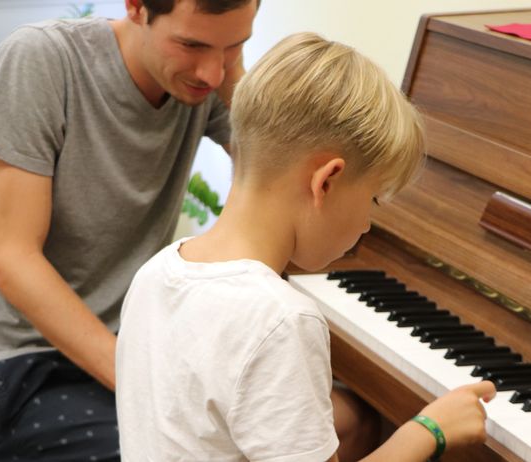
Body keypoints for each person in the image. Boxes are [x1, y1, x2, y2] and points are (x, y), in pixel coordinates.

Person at [116, 32, 497, 461]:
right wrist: (429, 429)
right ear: (326, 181)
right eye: (372, 200)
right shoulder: (279, 320)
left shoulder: (157, 271)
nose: (368, 225)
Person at [0, 0, 257, 459]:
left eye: (233, 46)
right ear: (137, 7)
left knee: (323, 422)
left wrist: (236, 72)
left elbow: (272, 178)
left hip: (126, 344)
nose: (211, 74)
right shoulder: (42, 60)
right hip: (7, 368)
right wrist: (147, 389)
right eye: (192, 44)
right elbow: (12, 262)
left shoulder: (204, 81)